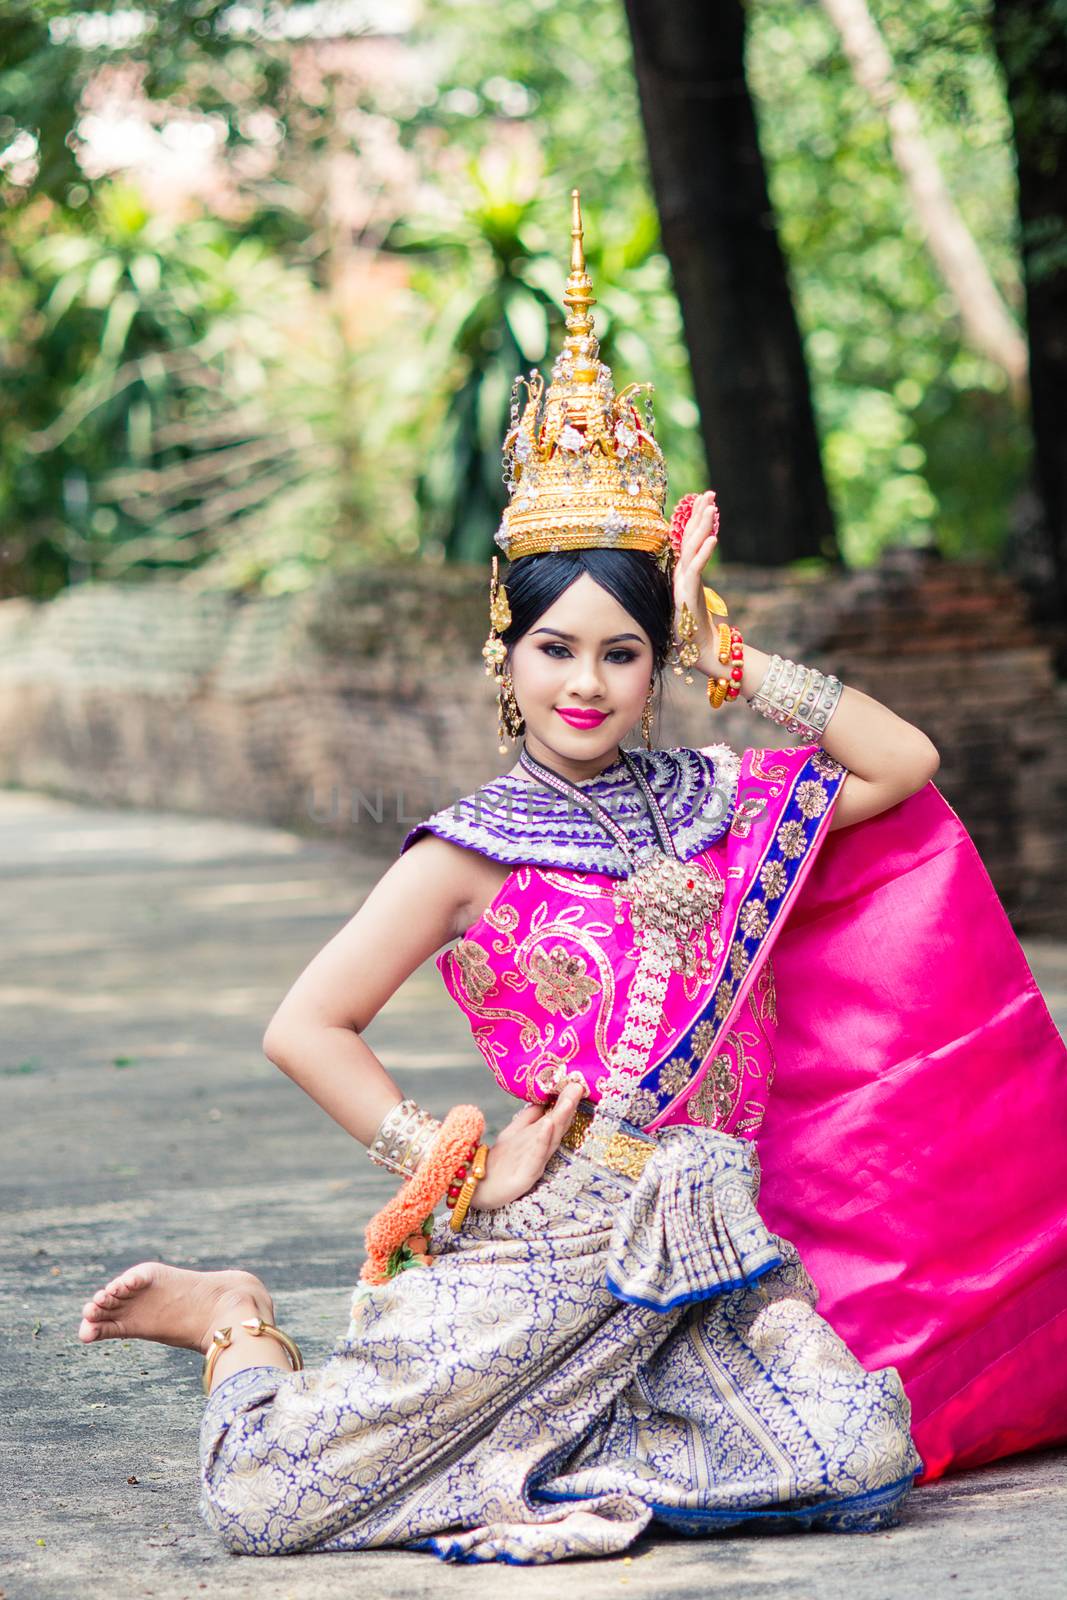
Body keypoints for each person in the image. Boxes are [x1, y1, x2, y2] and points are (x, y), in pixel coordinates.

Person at [77, 193, 1066, 1564]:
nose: (587, 682)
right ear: (507, 657)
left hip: (717, 1249)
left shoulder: (724, 801)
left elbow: (904, 760)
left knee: (863, 1449)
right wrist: (450, 1165)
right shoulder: (471, 848)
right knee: (266, 1506)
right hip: (557, 1235)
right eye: (555, 648)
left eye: (621, 651)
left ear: (655, 667)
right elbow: (304, 1026)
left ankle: (564, 1452)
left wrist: (735, 651)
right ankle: (236, 1317)